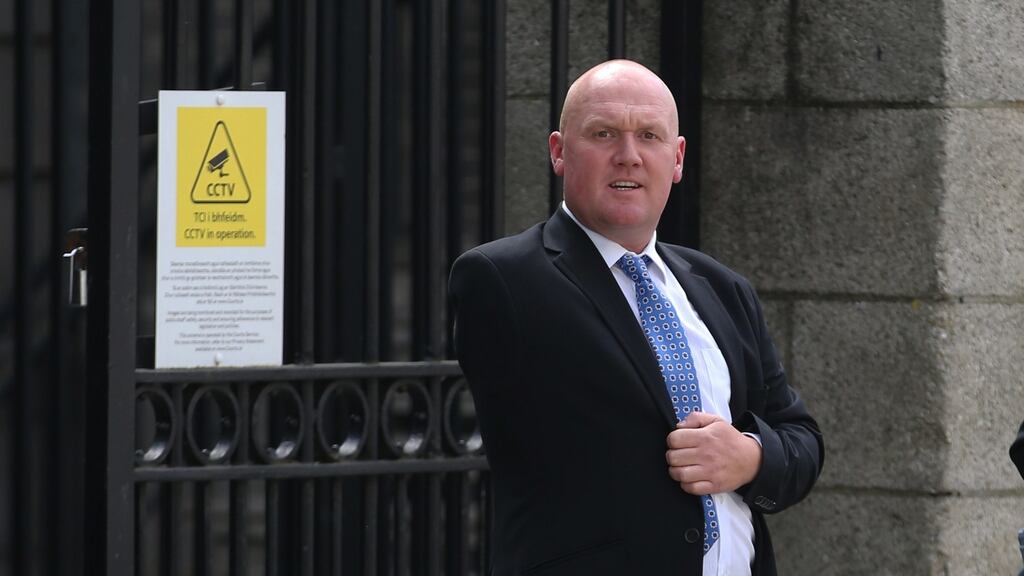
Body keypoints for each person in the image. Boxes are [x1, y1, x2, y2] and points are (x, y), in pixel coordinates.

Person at [449, 59, 824, 576]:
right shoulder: (504, 279)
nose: (628, 157)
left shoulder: (721, 286)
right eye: (603, 134)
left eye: (649, 136)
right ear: (559, 151)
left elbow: (801, 437)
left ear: (677, 158)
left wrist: (750, 459)